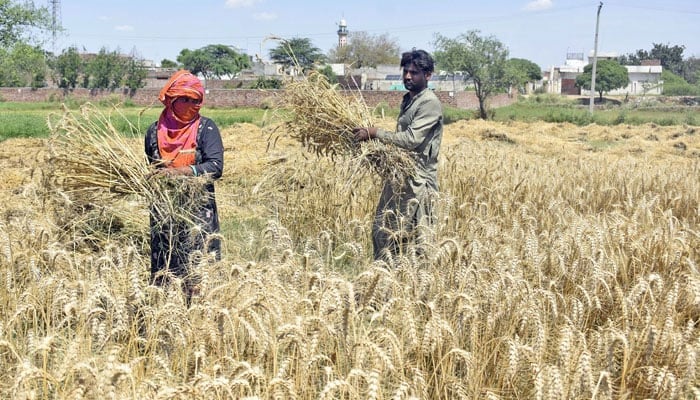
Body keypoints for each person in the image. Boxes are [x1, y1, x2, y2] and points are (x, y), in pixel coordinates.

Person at [353, 49, 443, 261]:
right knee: (384, 233)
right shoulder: (408, 100)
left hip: (419, 183)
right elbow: (401, 142)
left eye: (414, 72)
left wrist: (375, 133)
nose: (408, 76)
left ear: (428, 75)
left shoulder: (429, 102)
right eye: (405, 71)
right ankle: (384, 283)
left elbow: (411, 140)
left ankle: (417, 290)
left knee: (419, 242)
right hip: (401, 177)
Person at [144, 69, 224, 299]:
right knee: (165, 269)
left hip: (198, 213)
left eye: (195, 100)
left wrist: (181, 172)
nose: (192, 105)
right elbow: (151, 168)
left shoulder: (206, 129)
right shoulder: (153, 133)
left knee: (197, 270)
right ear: (171, 101)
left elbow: (215, 167)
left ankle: (197, 317)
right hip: (164, 212)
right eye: (185, 100)